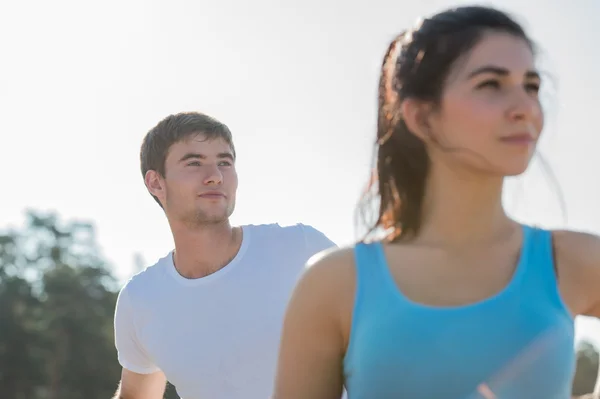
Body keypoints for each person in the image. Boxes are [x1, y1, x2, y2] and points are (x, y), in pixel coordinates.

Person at [273, 6, 600, 399]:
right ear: (422, 117)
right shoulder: (332, 284)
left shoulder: (576, 261)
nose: (526, 108)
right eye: (491, 84)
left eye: (531, 86)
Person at [111, 112, 336, 399]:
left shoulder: (302, 249)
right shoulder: (140, 300)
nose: (215, 177)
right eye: (194, 163)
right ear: (156, 183)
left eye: (224, 163)